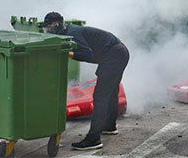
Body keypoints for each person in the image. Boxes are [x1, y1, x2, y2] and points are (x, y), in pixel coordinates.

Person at [41, 12, 130, 150]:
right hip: (118, 53)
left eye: (49, 26)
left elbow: (91, 56)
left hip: (113, 55)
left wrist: (70, 54)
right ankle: (109, 126)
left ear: (58, 25)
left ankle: (93, 139)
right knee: (111, 93)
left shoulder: (73, 34)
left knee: (100, 97)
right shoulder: (69, 31)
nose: (47, 30)